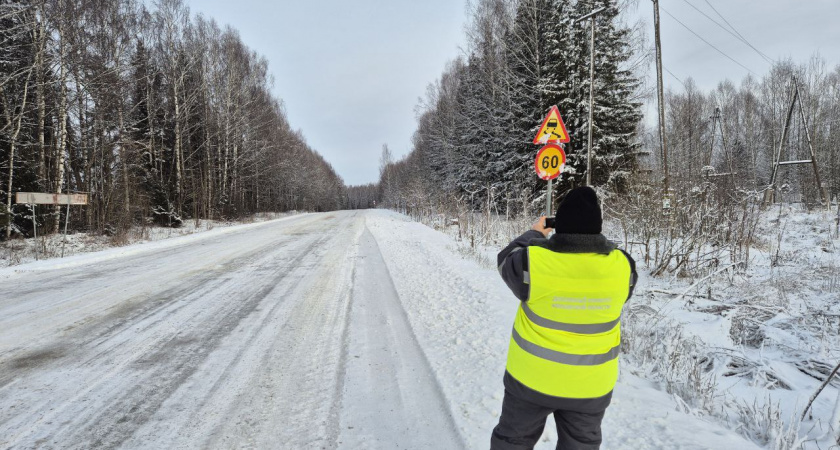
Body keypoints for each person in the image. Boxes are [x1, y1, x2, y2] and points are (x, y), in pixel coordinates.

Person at [491, 186, 638, 450]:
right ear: (598, 226)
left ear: (560, 224)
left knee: (512, 442)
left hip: (530, 380)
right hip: (591, 386)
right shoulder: (623, 266)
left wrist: (536, 233)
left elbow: (505, 259)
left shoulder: (532, 262)